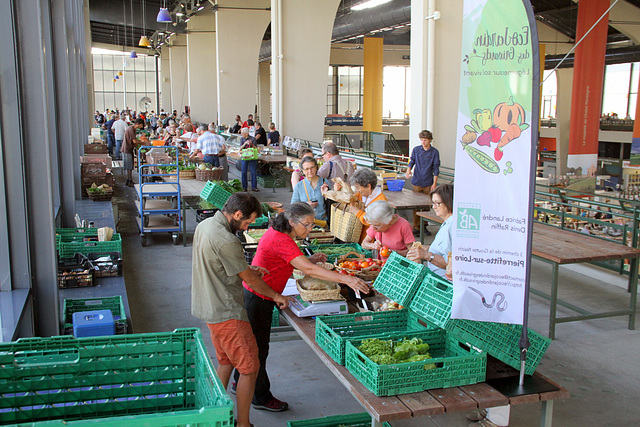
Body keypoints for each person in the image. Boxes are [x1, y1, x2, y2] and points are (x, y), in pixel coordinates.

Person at [231, 202, 370, 412]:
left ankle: (239, 381)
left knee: (252, 346)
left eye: (312, 224)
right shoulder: (282, 238)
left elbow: (290, 261)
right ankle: (260, 396)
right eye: (306, 224)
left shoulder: (280, 233)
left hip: (259, 295)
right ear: (291, 222)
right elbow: (308, 270)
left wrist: (308, 259)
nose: (309, 229)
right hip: (258, 298)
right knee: (258, 351)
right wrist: (346, 280)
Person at [191, 193, 289, 427]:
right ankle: (243, 423)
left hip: (208, 306)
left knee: (226, 361)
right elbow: (251, 283)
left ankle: (213, 414)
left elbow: (218, 264)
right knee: (249, 368)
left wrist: (247, 268)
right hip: (227, 312)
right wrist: (276, 295)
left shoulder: (205, 226)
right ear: (236, 215)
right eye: (247, 222)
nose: (247, 226)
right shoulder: (227, 240)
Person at [407, 184, 453, 279]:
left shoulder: (452, 227)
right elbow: (443, 250)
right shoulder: (446, 223)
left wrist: (427, 255)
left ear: (449, 202)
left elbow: (452, 264)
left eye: (438, 203)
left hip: (443, 282)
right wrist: (428, 248)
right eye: (433, 203)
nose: (434, 207)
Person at [335, 168, 388, 243]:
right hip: (357, 239)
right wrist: (339, 191)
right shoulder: (360, 195)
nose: (357, 190)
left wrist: (357, 212)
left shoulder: (381, 201)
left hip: (370, 242)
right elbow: (348, 201)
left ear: (369, 186)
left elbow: (373, 221)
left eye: (358, 187)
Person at [405, 130, 440, 235]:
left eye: (425, 140)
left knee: (426, 205)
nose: (423, 142)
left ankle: (424, 226)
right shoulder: (416, 150)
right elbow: (412, 161)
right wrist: (408, 170)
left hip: (428, 182)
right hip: (417, 181)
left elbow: (436, 168)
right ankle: (416, 226)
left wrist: (434, 183)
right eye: (422, 140)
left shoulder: (434, 152)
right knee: (416, 205)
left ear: (430, 140)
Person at [291, 156, 330, 225]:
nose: (310, 171)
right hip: (305, 224)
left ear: (316, 168)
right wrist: (305, 206)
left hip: (323, 222)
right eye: (306, 169)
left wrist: (327, 195)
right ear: (302, 170)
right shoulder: (299, 186)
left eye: (312, 167)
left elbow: (331, 203)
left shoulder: (324, 182)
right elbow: (293, 207)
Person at [122, 118, 145, 187]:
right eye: (141, 125)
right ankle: (129, 180)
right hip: (127, 149)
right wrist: (143, 143)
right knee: (129, 166)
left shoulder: (132, 129)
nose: (141, 127)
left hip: (129, 148)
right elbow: (134, 141)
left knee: (130, 165)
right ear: (137, 124)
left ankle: (129, 180)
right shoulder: (131, 129)